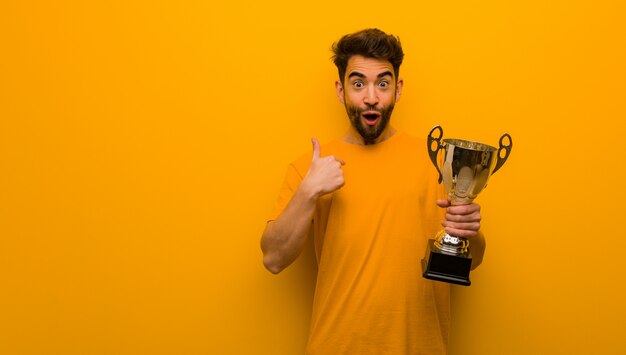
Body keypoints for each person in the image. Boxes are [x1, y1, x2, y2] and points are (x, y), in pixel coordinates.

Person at [260, 28, 486, 355]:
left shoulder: (436, 161)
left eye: (383, 83)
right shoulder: (310, 168)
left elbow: (471, 261)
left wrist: (470, 231)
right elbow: (273, 258)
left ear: (398, 88)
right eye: (358, 84)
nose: (370, 97)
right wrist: (308, 192)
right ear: (340, 90)